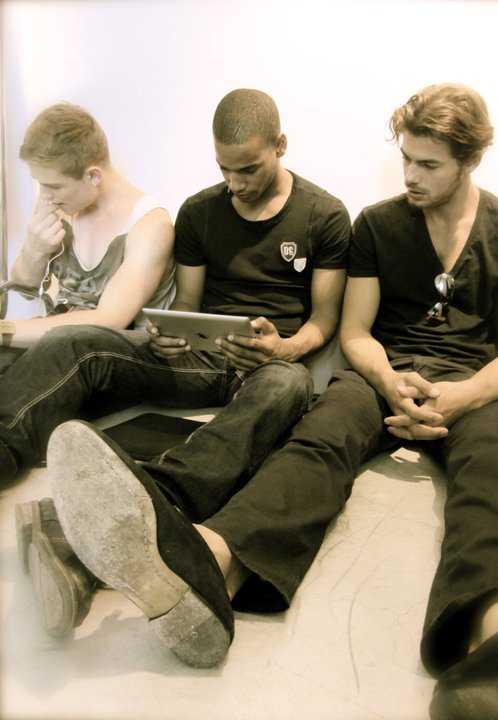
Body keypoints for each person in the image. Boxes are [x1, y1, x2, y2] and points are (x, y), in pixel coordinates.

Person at [46, 83, 498, 718]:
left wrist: (463, 395)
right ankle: (214, 560)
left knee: (496, 463)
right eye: (405, 158)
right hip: (380, 371)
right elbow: (356, 332)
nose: (410, 176)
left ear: (470, 161)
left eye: (428, 164)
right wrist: (388, 379)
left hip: (472, 381)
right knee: (317, 443)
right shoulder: (378, 224)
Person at [5, 89, 350, 639]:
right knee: (80, 340)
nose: (235, 183)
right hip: (202, 357)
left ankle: (138, 512)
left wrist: (282, 348)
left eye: (249, 170)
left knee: (289, 387)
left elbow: (325, 321)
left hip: (270, 362)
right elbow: (186, 306)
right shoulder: (199, 211)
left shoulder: (324, 215)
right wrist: (167, 337)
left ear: (281, 146)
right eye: (224, 169)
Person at [0, 102, 176, 371]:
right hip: (57, 345)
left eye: (53, 186)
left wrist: (6, 330)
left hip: (110, 360)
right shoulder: (59, 203)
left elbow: (110, 320)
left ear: (93, 176)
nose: (45, 195)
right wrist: (34, 248)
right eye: (40, 184)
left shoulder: (150, 225)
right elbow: (24, 288)